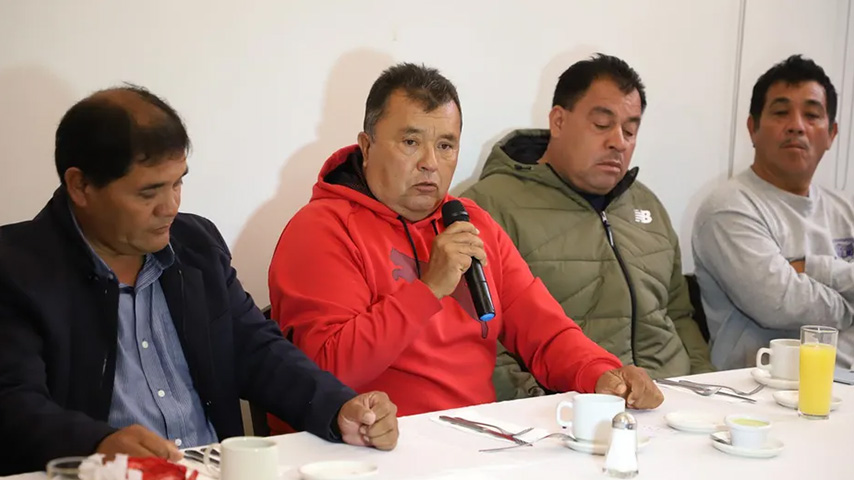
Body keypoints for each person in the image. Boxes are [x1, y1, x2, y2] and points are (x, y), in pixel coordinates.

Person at [0, 86, 398, 476]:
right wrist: (97, 444)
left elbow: (256, 349)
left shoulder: (195, 245)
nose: (171, 206)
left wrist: (337, 407)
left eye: (177, 183)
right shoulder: (16, 268)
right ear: (81, 186)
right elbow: (13, 403)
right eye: (148, 193)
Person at [268, 63, 664, 421]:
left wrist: (602, 374)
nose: (430, 162)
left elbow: (546, 333)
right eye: (410, 142)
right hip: (367, 447)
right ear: (367, 146)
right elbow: (325, 372)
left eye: (445, 145)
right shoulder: (321, 229)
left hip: (474, 439)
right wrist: (428, 290)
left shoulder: (472, 223)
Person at [461, 54, 714, 400]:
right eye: (601, 124)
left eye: (630, 130)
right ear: (558, 121)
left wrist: (706, 388)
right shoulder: (488, 208)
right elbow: (482, 339)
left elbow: (680, 315)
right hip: (572, 406)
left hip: (672, 402)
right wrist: (537, 404)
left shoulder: (647, 205)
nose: (619, 141)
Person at [693, 54, 854, 370]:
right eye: (781, 113)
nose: (796, 126)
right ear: (752, 128)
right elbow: (780, 304)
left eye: (812, 115)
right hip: (766, 388)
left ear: (831, 134)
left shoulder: (845, 209)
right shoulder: (729, 207)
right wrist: (849, 307)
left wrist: (813, 268)